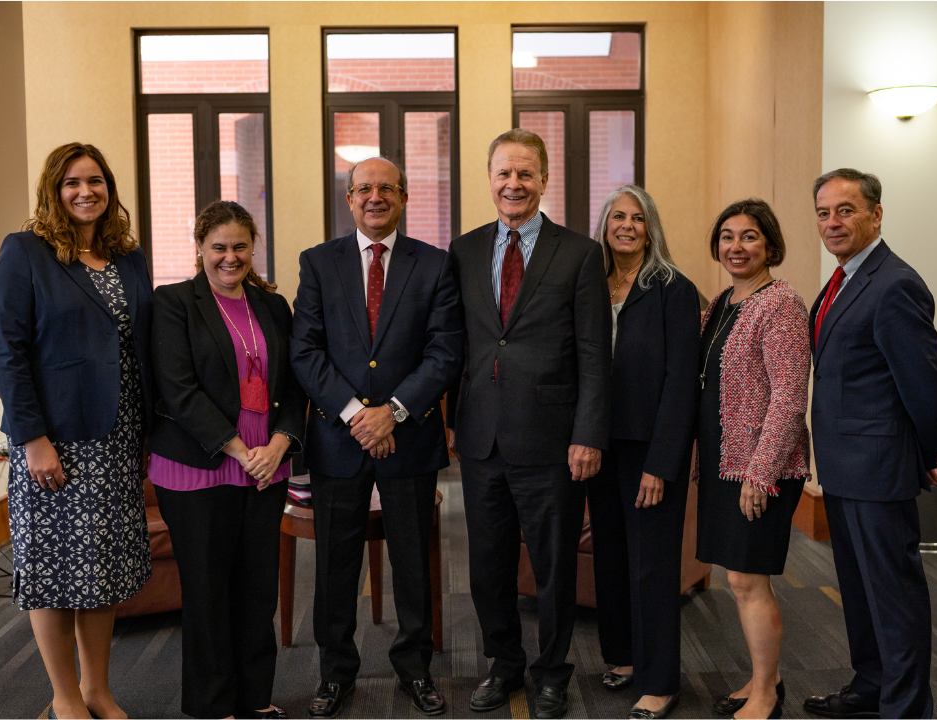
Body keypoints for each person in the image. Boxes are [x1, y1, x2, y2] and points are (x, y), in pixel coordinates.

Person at [446, 129, 611, 720]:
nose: (513, 184)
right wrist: (449, 421)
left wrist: (589, 433)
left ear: (543, 179)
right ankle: (504, 662)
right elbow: (455, 344)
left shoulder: (579, 253)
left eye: (525, 174)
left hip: (553, 441)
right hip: (482, 437)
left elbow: (594, 353)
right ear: (489, 179)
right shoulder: (462, 251)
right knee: (488, 564)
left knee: (553, 565)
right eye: (502, 174)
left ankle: (551, 672)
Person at [289, 157, 463, 718]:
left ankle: (415, 670)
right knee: (336, 565)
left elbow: (444, 352)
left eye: (386, 188)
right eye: (364, 188)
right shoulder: (318, 263)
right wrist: (357, 416)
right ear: (349, 198)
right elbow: (305, 350)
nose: (374, 197)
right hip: (339, 440)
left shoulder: (435, 265)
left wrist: (393, 411)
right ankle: (335, 674)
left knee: (412, 559)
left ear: (404, 196)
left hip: (407, 436)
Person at [0, 142, 153, 720]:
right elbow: (7, 353)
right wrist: (32, 440)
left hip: (119, 435)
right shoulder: (25, 253)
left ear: (110, 189)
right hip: (55, 441)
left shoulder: (129, 258)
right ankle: (63, 697)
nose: (87, 192)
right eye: (72, 183)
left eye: (97, 181)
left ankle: (97, 689)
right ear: (53, 191)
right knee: (56, 567)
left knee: (99, 565)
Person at [803, 170, 937, 720]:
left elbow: (928, 388)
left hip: (879, 469)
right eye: (823, 213)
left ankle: (907, 709)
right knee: (860, 592)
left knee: (894, 599)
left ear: (876, 214)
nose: (833, 223)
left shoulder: (895, 284)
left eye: (845, 210)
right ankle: (871, 687)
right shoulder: (843, 279)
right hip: (845, 468)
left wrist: (925, 452)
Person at [148, 200, 306, 720]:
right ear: (199, 248)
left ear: (253, 247)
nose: (230, 257)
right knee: (209, 593)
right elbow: (178, 390)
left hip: (267, 468)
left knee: (258, 589)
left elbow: (291, 386)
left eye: (240, 246)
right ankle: (214, 707)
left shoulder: (272, 306)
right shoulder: (173, 303)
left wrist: (280, 443)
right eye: (219, 247)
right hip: (199, 469)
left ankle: (255, 699)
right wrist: (239, 450)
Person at [585, 185, 700, 720]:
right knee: (611, 555)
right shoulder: (590, 281)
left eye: (637, 217)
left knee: (652, 564)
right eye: (617, 216)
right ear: (604, 224)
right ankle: (625, 657)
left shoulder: (672, 288)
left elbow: (682, 382)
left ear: (650, 228)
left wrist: (662, 461)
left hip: (649, 447)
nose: (626, 225)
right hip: (597, 442)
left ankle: (660, 681)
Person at [693, 199, 811, 720]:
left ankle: (766, 695)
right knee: (738, 581)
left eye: (749, 237)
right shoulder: (721, 301)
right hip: (725, 462)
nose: (735, 247)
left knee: (747, 580)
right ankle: (765, 677)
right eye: (727, 236)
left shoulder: (781, 303)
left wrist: (760, 474)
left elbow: (789, 394)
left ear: (770, 245)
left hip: (759, 469)